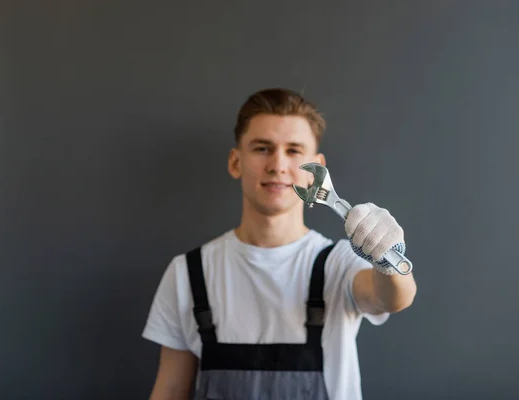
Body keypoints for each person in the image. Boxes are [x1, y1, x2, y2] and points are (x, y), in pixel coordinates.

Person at [142, 88, 417, 400]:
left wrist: (387, 259)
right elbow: (170, 390)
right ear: (236, 162)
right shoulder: (186, 274)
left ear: (318, 170)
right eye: (262, 148)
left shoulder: (338, 264)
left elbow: (394, 298)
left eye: (294, 151)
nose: (278, 165)